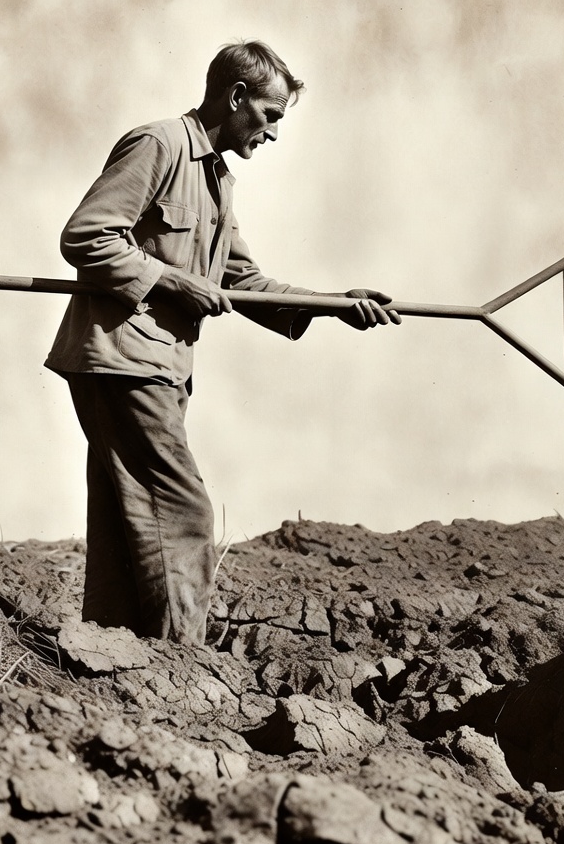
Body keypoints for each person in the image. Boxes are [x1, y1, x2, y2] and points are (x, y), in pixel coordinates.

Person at [45, 40, 400, 644]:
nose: (274, 134)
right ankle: (179, 665)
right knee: (184, 513)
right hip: (126, 359)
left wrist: (337, 306)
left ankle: (113, 659)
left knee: (125, 516)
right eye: (270, 115)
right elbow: (86, 235)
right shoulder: (159, 145)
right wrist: (172, 281)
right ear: (236, 97)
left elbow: (243, 281)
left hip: (152, 366)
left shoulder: (215, 180)